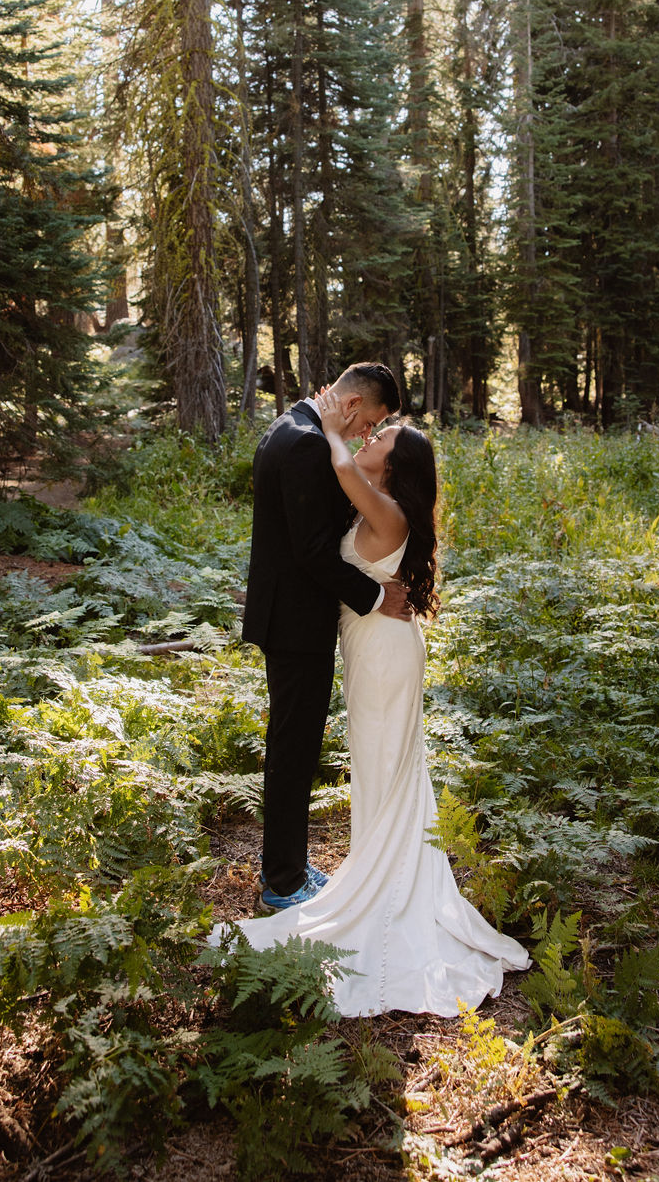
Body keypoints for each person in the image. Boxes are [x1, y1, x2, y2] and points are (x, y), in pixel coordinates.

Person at [212, 390, 530, 1017]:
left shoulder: (383, 506)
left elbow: (336, 467)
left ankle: (388, 888)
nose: (371, 437)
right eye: (373, 427)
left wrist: (330, 426)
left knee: (386, 762)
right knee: (375, 762)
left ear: (394, 465)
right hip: (367, 642)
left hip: (385, 648)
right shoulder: (372, 493)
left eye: (381, 438)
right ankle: (372, 870)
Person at [241, 363, 411, 912]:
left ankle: (286, 866)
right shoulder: (310, 445)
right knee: (293, 749)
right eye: (372, 424)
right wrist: (375, 596)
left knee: (293, 745)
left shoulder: (289, 426)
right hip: (296, 623)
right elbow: (312, 551)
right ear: (356, 403)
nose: (367, 437)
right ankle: (283, 881)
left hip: (286, 615)